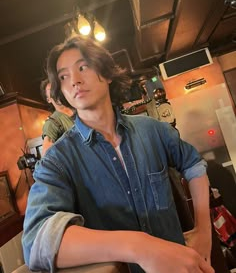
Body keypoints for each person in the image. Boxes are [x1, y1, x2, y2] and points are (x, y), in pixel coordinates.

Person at [22, 35, 214, 273]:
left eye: (82, 67)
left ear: (107, 73)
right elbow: (36, 243)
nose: (74, 81)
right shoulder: (57, 161)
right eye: (63, 76)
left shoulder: (152, 130)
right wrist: (138, 246)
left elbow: (194, 164)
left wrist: (204, 229)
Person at [40, 78, 74, 156]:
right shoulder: (52, 122)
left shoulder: (79, 107)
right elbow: (46, 154)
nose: (56, 93)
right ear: (48, 100)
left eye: (57, 89)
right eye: (52, 91)